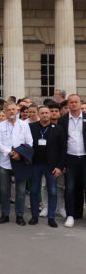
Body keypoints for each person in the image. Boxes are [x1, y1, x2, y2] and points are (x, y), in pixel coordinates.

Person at [0, 101, 33, 225]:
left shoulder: (24, 125)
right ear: (5, 112)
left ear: (17, 111)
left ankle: (19, 215)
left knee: (21, 191)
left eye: (13, 109)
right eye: (9, 110)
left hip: (20, 161)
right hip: (4, 162)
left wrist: (19, 154)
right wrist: (11, 153)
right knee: (4, 190)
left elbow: (29, 142)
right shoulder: (0, 126)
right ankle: (5, 214)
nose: (11, 112)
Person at [56, 94, 86, 228]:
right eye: (71, 102)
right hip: (70, 158)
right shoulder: (62, 120)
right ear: (68, 104)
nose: (73, 104)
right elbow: (61, 144)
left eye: (76, 102)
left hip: (84, 158)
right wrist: (61, 164)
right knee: (70, 188)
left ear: (80, 103)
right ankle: (70, 215)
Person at [30, 106, 60, 227]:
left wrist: (60, 166)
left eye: (47, 113)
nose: (45, 115)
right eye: (42, 113)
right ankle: (34, 216)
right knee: (34, 190)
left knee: (52, 191)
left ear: (50, 114)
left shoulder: (58, 129)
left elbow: (62, 150)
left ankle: (51, 217)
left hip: (51, 166)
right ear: (38, 114)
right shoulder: (31, 127)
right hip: (35, 164)